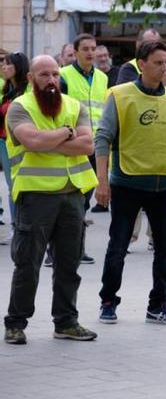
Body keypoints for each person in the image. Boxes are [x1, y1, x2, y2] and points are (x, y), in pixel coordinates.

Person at [95, 41, 166, 326]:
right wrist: (102, 181)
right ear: (141, 64)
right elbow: (102, 138)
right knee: (118, 246)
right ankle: (108, 300)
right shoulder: (119, 95)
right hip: (127, 183)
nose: (164, 68)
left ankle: (158, 304)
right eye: (158, 62)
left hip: (165, 185)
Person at [3, 55, 99, 345]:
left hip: (73, 195)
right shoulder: (20, 107)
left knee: (69, 264)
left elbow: (88, 144)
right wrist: (66, 134)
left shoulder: (74, 105)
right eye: (44, 75)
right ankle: (16, 324)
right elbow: (31, 141)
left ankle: (66, 322)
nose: (51, 81)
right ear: (31, 78)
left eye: (55, 74)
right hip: (36, 196)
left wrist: (52, 141)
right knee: (28, 264)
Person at [59, 33, 105, 262]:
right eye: (85, 49)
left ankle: (78, 249)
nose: (90, 53)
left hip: (96, 146)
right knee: (69, 199)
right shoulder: (64, 76)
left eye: (93, 48)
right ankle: (56, 252)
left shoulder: (102, 78)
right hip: (74, 145)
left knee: (84, 201)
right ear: (75, 52)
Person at [1, 52, 28, 243]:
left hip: (18, 144)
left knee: (17, 186)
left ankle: (20, 226)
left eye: (7, 64)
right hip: (3, 142)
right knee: (12, 187)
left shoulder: (26, 91)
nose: (3, 67)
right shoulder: (7, 89)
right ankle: (16, 226)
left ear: (17, 67)